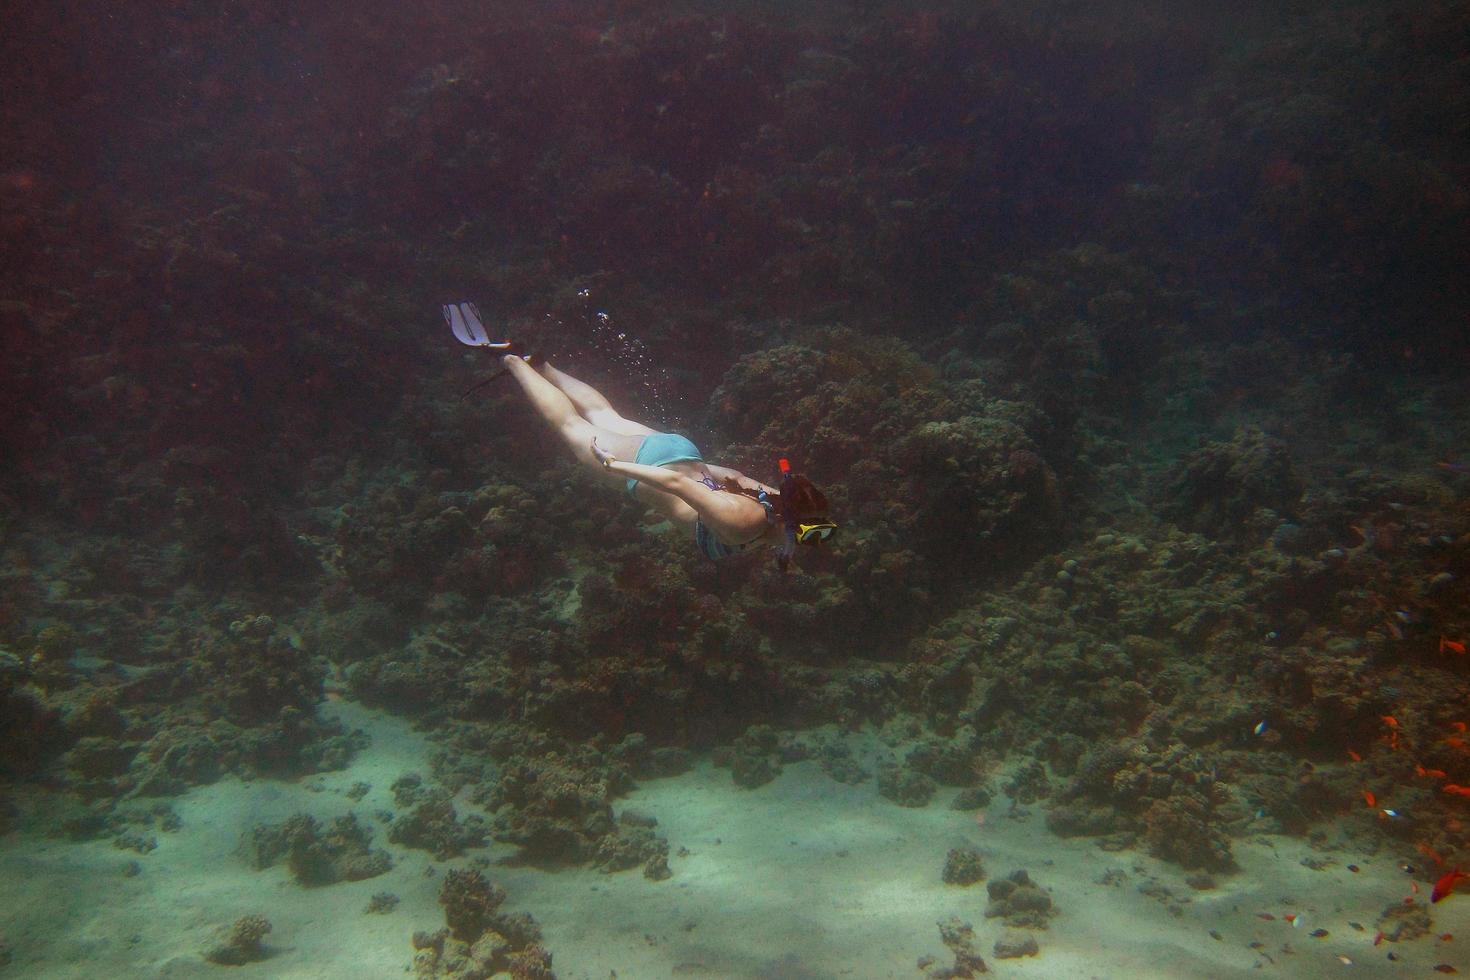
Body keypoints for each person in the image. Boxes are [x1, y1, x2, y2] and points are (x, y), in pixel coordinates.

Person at [445, 302, 837, 567]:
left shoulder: (772, 497)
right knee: (571, 426)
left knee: (603, 413)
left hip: (681, 451)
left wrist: (692, 461)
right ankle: (511, 360)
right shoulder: (743, 524)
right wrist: (617, 467)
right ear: (790, 525)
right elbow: (673, 483)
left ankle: (541, 365)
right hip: (656, 463)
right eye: (812, 535)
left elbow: (723, 472)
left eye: (819, 534)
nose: (812, 543)